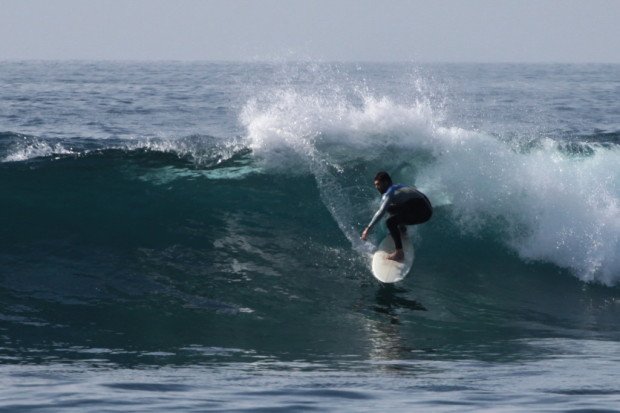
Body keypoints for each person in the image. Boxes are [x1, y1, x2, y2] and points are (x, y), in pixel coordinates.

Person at [361, 171, 433, 261]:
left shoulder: (389, 193)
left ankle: (399, 253)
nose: (376, 187)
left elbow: (381, 211)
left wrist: (368, 228)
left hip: (423, 213)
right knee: (391, 208)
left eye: (378, 184)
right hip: (426, 207)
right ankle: (402, 230)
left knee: (390, 222)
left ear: (385, 182)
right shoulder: (399, 186)